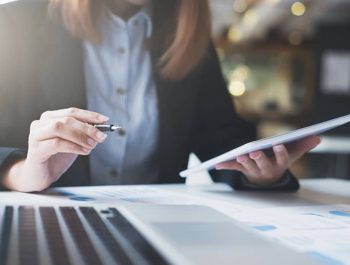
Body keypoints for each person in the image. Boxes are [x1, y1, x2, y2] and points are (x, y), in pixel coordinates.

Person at [0, 0, 320, 192]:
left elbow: (223, 141)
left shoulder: (185, 31)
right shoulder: (16, 24)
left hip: (158, 224)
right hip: (49, 218)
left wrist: (261, 175)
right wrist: (24, 173)